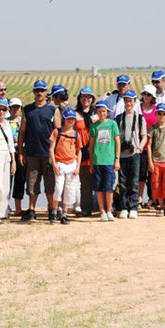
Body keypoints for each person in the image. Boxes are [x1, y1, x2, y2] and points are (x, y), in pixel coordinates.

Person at [18, 80, 59, 222]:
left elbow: (57, 132)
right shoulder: (27, 109)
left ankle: (52, 210)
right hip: (31, 153)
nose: (39, 93)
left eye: (42, 90)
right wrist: (20, 152)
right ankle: (31, 210)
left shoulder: (53, 110)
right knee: (32, 184)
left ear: (46, 92)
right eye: (37, 90)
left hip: (48, 153)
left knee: (50, 184)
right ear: (34, 92)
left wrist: (56, 154)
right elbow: (21, 133)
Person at [114, 90, 147, 219]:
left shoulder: (140, 118)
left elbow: (144, 136)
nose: (128, 103)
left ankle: (133, 207)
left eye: (131, 100)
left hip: (134, 154)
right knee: (122, 182)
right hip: (121, 154)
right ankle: (123, 207)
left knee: (134, 181)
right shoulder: (118, 118)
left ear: (135, 102)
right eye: (126, 100)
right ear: (124, 102)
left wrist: (140, 148)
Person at [49, 109, 83, 225]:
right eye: (68, 119)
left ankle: (64, 214)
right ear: (64, 119)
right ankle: (54, 211)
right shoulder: (56, 132)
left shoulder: (76, 134)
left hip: (72, 164)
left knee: (69, 190)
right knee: (58, 188)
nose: (71, 121)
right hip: (60, 164)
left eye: (72, 119)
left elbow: (79, 151)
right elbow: (51, 149)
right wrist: (54, 164)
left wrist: (77, 167)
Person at [90, 100, 120, 221]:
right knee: (98, 187)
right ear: (96, 112)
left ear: (107, 112)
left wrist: (117, 159)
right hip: (97, 160)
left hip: (109, 160)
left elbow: (117, 142)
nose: (102, 113)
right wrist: (91, 162)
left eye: (104, 111)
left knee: (108, 187)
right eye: (99, 111)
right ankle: (102, 210)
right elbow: (91, 146)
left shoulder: (112, 124)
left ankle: (109, 210)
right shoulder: (94, 126)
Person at [146, 103, 165, 216]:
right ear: (156, 114)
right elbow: (149, 145)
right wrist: (150, 161)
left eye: (164, 114)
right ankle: (160, 205)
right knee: (156, 183)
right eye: (159, 113)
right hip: (155, 161)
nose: (161, 116)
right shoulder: (153, 128)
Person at [74, 87, 97, 216]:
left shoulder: (97, 113)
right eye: (83, 97)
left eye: (88, 97)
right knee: (85, 182)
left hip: (95, 151)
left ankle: (102, 207)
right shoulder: (75, 114)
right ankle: (86, 208)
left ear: (92, 99)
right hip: (81, 151)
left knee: (99, 181)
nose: (86, 99)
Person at [139, 84, 157, 209]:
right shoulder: (137, 108)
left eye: (148, 94)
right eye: (144, 94)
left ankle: (152, 198)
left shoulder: (157, 110)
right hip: (140, 145)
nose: (146, 97)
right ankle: (139, 198)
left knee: (152, 175)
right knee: (140, 174)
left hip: (154, 146)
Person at [9, 98, 26, 216]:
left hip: (21, 151)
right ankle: (4, 206)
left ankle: (18, 208)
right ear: (9, 109)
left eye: (17, 107)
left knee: (20, 180)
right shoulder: (3, 122)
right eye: (13, 107)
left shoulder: (24, 122)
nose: (15, 109)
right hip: (7, 153)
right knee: (7, 181)